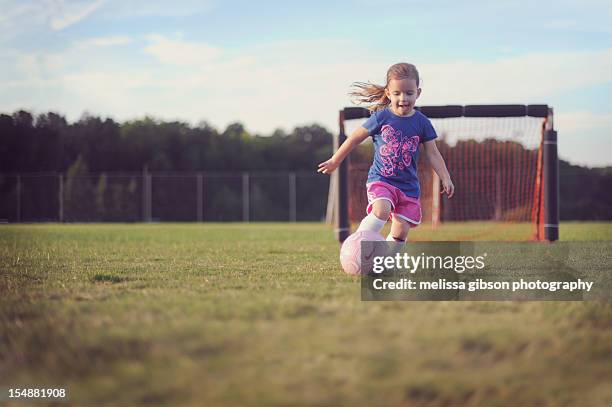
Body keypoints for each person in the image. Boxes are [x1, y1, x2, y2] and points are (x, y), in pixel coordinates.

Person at [318, 62, 454, 244]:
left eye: (409, 93)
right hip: (382, 180)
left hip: (408, 187)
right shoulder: (381, 117)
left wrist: (445, 177)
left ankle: (386, 263)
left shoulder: (422, 123)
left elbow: (433, 153)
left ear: (418, 93)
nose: (403, 98)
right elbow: (354, 139)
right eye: (397, 93)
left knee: (401, 231)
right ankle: (358, 245)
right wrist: (336, 160)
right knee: (381, 210)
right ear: (388, 93)